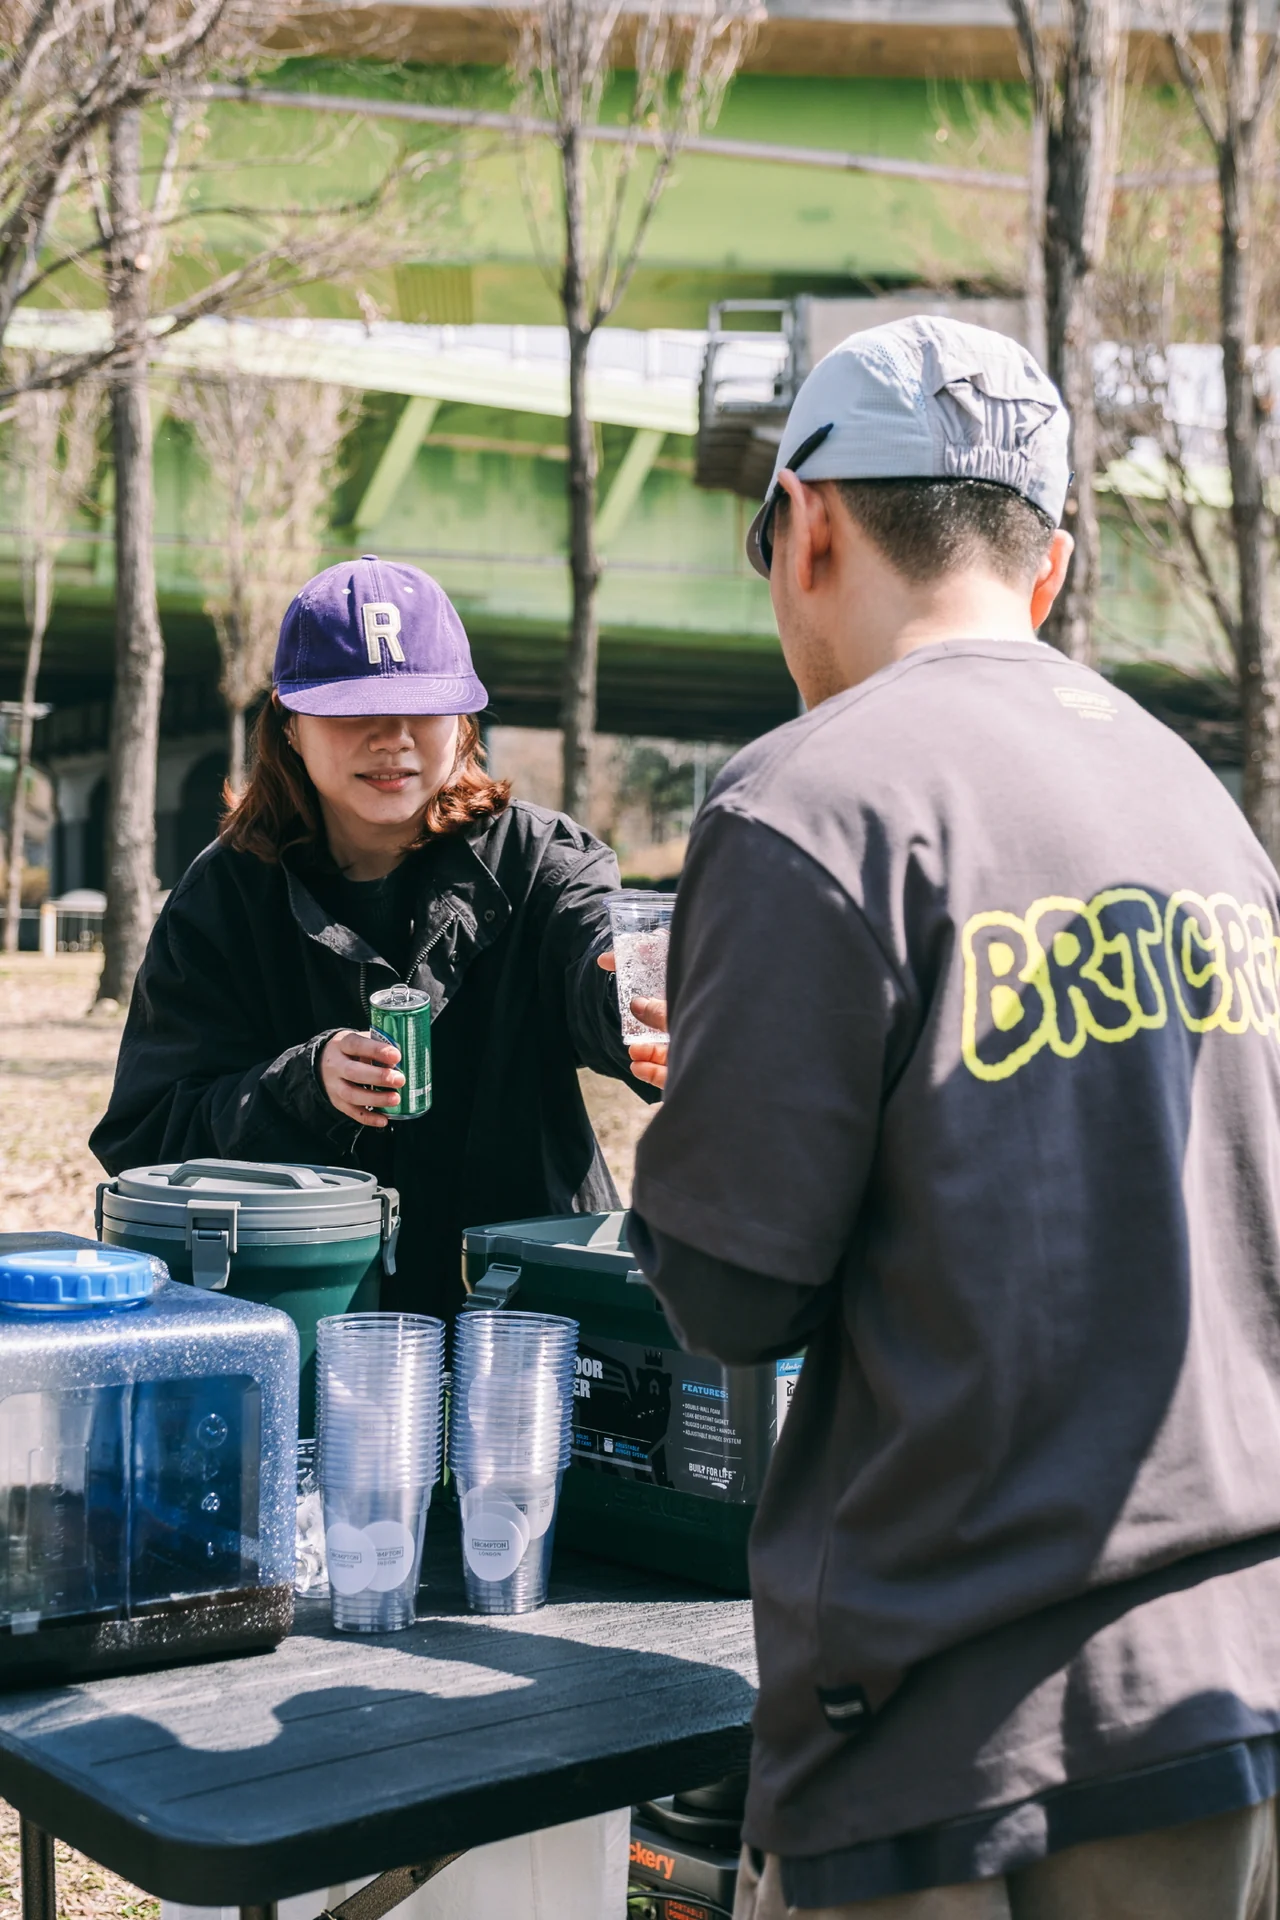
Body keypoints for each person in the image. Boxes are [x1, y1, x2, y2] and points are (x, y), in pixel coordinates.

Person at [627, 316, 1280, 1919]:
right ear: (1047, 568)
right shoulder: (1204, 810)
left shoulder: (808, 802)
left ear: (809, 526)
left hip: (946, 1723)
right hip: (1229, 1683)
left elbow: (730, 1292)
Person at [91, 554, 659, 1317]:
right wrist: (303, 1087)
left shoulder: (542, 860)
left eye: (422, 708)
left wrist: (641, 996)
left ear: (463, 721)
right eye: (354, 709)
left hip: (527, 1316)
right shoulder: (224, 894)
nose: (392, 739)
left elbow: (596, 951)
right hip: (307, 1315)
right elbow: (147, 1139)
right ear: (290, 725)